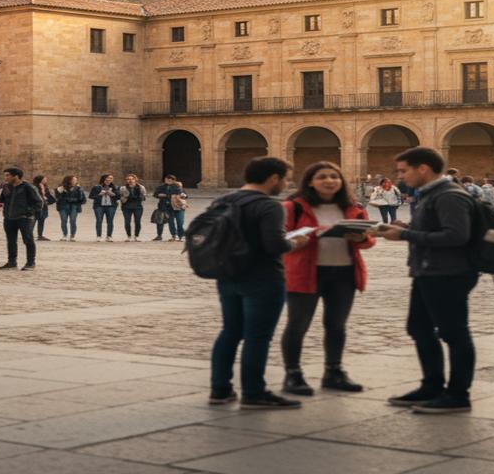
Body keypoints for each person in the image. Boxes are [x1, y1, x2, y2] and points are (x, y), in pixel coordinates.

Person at [376, 147, 478, 414]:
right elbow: (435, 231)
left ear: (423, 168)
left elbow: (456, 236)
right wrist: (406, 229)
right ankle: (432, 385)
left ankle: (458, 394)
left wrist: (405, 236)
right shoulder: (430, 195)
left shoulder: (449, 196)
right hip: (428, 271)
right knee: (419, 328)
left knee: (454, 333)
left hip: (448, 274)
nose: (399, 176)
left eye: (403, 170)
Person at [209, 156, 310, 409]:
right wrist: (296, 242)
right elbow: (274, 245)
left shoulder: (222, 201)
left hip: (228, 275)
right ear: (273, 178)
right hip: (262, 278)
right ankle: (254, 392)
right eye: (286, 179)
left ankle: (220, 390)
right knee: (258, 336)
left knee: (230, 332)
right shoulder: (269, 206)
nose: (287, 184)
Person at [280, 161, 374, 396]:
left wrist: (359, 238)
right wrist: (303, 238)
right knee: (297, 325)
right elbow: (279, 240)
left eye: (334, 176)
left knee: (336, 325)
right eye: (322, 177)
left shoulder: (353, 207)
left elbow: (368, 240)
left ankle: (334, 372)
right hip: (304, 272)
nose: (330, 181)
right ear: (310, 181)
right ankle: (293, 374)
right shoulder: (294, 207)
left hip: (344, 273)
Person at [0, 167, 42, 269]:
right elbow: (2, 201)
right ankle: (12, 262)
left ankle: (30, 262)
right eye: (5, 175)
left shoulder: (28, 187)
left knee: (28, 240)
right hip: (9, 218)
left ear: (16, 176)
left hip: (24, 218)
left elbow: (38, 202)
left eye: (8, 175)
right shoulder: (7, 187)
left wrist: (29, 212)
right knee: (11, 241)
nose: (6, 178)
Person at [153, 174, 186, 242]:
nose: (168, 181)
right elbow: (155, 194)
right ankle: (174, 235)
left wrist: (165, 195)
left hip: (178, 207)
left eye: (171, 180)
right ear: (165, 180)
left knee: (180, 222)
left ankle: (181, 235)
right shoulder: (161, 187)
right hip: (167, 207)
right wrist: (160, 195)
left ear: (174, 180)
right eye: (167, 179)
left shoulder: (178, 186)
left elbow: (184, 195)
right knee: (171, 222)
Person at [88, 174, 120, 242]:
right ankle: (98, 236)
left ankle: (109, 236)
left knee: (110, 221)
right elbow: (91, 196)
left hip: (111, 206)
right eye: (107, 178)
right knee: (99, 220)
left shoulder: (116, 187)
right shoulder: (96, 187)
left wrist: (112, 194)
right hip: (99, 206)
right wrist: (99, 194)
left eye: (111, 178)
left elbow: (119, 196)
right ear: (103, 179)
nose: (109, 180)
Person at [118, 174, 148, 241]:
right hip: (126, 207)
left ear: (135, 180)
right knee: (127, 222)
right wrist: (124, 198)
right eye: (128, 179)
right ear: (126, 180)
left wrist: (141, 197)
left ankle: (136, 236)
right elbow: (120, 196)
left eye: (132, 179)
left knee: (137, 221)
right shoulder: (123, 188)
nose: (130, 180)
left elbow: (144, 196)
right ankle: (129, 236)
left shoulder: (141, 187)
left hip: (138, 206)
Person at [55, 175, 85, 241]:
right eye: (73, 180)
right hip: (63, 206)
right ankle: (64, 235)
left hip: (74, 206)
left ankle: (72, 235)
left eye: (76, 180)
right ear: (69, 180)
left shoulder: (78, 188)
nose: (75, 181)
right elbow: (58, 198)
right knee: (64, 220)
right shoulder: (61, 188)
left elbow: (82, 199)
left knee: (73, 221)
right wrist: (61, 191)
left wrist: (79, 191)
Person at [33, 174, 55, 241]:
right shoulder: (34, 187)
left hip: (44, 206)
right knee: (33, 220)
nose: (46, 180)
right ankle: (28, 234)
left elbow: (47, 195)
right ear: (40, 180)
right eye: (44, 179)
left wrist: (49, 201)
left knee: (41, 220)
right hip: (36, 206)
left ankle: (40, 235)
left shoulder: (45, 186)